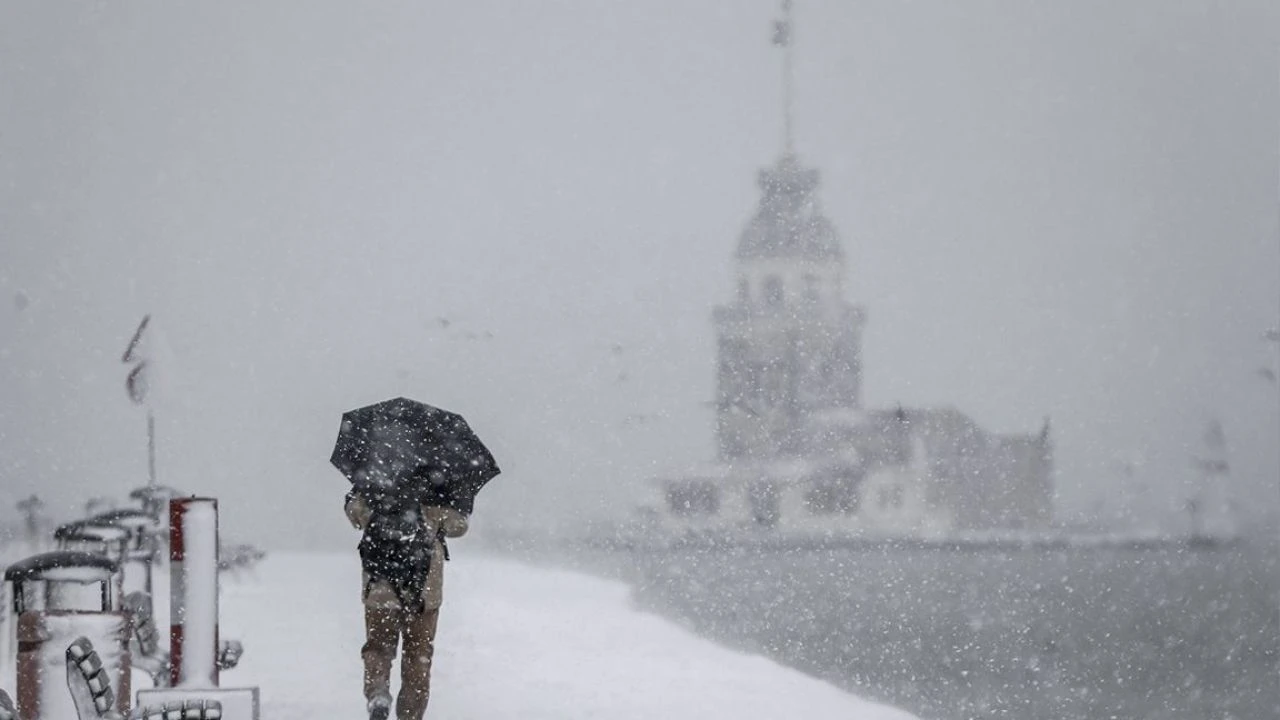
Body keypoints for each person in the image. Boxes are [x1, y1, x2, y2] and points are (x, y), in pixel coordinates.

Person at [345, 486, 469, 720]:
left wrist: (357, 498)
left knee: (378, 648)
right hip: (424, 590)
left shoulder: (377, 477)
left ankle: (378, 694)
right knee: (418, 655)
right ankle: (410, 715)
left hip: (380, 587)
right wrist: (454, 503)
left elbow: (356, 514)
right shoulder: (437, 483)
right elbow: (458, 526)